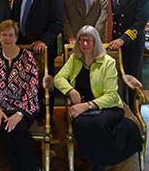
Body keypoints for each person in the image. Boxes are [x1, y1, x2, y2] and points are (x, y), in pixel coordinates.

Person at [54, 25, 142, 171]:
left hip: (109, 107)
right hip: (82, 108)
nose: (84, 44)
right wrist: (70, 90)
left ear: (96, 42)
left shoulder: (108, 62)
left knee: (96, 124)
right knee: (82, 124)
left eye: (89, 40)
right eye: (81, 40)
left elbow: (112, 95)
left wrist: (87, 105)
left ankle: (97, 165)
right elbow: (58, 78)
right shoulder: (75, 59)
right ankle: (100, 163)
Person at [0, 19, 40, 171]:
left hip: (24, 108)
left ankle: (32, 168)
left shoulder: (27, 57)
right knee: (1, 128)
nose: (7, 38)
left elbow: (33, 86)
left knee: (18, 129)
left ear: (16, 37)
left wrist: (20, 113)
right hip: (0, 108)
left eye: (10, 35)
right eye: (4, 35)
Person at [12, 0, 64, 117]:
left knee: (43, 85)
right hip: (21, 48)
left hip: (43, 49)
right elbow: (14, 18)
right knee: (23, 83)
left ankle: (46, 119)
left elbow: (58, 21)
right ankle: (26, 115)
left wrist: (44, 40)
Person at [109, 0, 149, 109]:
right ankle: (121, 110)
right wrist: (116, 41)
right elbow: (117, 20)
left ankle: (135, 115)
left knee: (133, 81)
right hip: (116, 45)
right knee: (118, 80)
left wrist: (123, 39)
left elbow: (140, 23)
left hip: (132, 44)